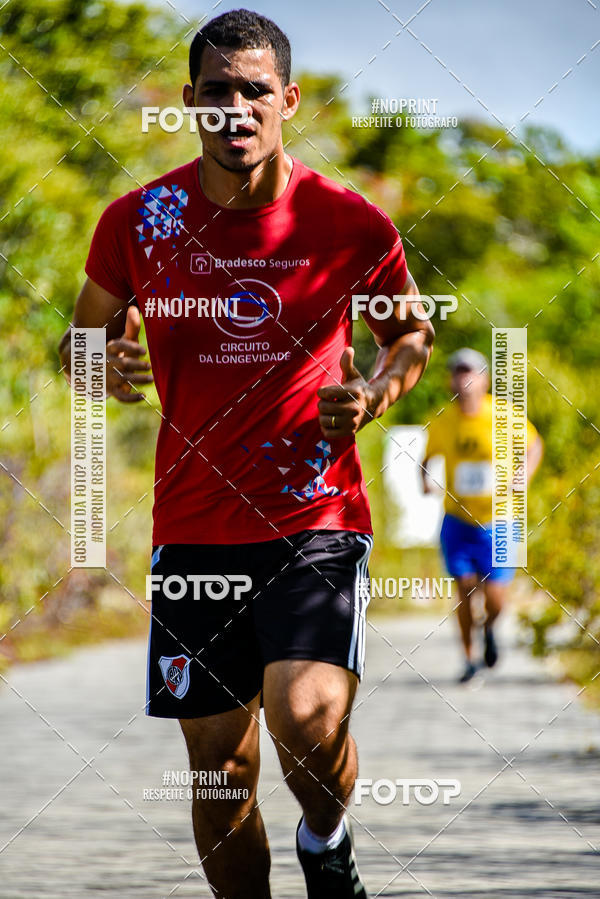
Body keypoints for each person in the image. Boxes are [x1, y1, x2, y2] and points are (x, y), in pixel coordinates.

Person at [58, 10, 434, 898]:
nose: (236, 108)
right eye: (217, 91)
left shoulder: (349, 223)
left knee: (306, 721)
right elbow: (77, 348)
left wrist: (375, 392)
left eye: (254, 90)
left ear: (288, 101)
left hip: (315, 518)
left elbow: (411, 334)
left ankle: (326, 835)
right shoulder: (137, 221)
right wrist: (102, 367)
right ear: (189, 101)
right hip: (192, 533)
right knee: (220, 781)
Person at [422, 348, 543, 683]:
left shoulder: (503, 414)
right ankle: (469, 657)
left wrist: (525, 474)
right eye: (458, 372)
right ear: (451, 380)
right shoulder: (442, 420)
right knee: (462, 587)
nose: (464, 379)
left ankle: (489, 627)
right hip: (457, 520)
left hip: (500, 520)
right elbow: (426, 456)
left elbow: (534, 445)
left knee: (497, 599)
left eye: (470, 372)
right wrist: (424, 480)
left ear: (484, 379)